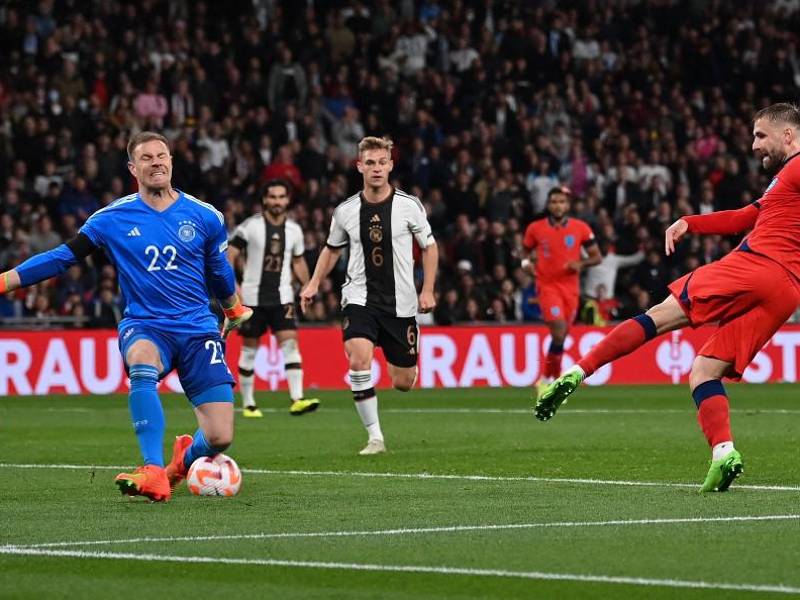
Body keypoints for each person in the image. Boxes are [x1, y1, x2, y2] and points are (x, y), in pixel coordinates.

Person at [535, 103, 800, 493]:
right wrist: (691, 222)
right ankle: (724, 453)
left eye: (761, 135)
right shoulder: (783, 183)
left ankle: (578, 371)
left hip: (755, 265)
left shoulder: (796, 166)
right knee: (703, 372)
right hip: (786, 290)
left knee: (658, 316)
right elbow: (746, 217)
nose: (754, 144)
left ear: (788, 136)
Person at [0, 131, 253, 502]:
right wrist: (5, 281)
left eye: (162, 155)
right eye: (147, 158)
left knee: (219, 437)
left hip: (198, 327)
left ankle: (181, 461)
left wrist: (233, 307)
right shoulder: (111, 219)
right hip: (147, 324)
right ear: (133, 168)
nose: (157, 163)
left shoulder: (205, 216)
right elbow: (62, 257)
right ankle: (151, 470)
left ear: (171, 161)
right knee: (141, 363)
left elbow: (218, 270)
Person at [299, 136, 438, 455]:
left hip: (401, 304)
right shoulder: (346, 211)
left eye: (382, 162)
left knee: (403, 381)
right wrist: (313, 283)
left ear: (391, 165)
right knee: (358, 358)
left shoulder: (409, 205)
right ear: (359, 166)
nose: (376, 168)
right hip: (359, 298)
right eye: (370, 163)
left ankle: (402, 362)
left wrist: (427, 289)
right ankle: (375, 437)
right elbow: (331, 250)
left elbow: (429, 247)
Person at [227, 179, 320, 417]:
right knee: (249, 350)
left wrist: (307, 286)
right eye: (273, 197)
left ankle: (297, 398)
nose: (277, 201)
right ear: (264, 200)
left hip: (283, 297)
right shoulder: (249, 227)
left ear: (288, 200)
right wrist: (232, 285)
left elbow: (298, 261)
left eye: (281, 197)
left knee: (290, 345)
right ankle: (248, 404)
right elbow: (230, 255)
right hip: (252, 298)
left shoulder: (294, 230)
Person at [522, 186, 601, 397]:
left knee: (561, 337)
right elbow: (524, 252)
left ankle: (548, 380)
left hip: (571, 289)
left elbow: (597, 257)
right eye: (554, 202)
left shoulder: (581, 228)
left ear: (568, 205)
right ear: (548, 205)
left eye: (562, 202)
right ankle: (550, 381)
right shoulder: (535, 229)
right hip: (547, 286)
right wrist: (525, 264)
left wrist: (581, 264)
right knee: (558, 331)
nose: (558, 206)